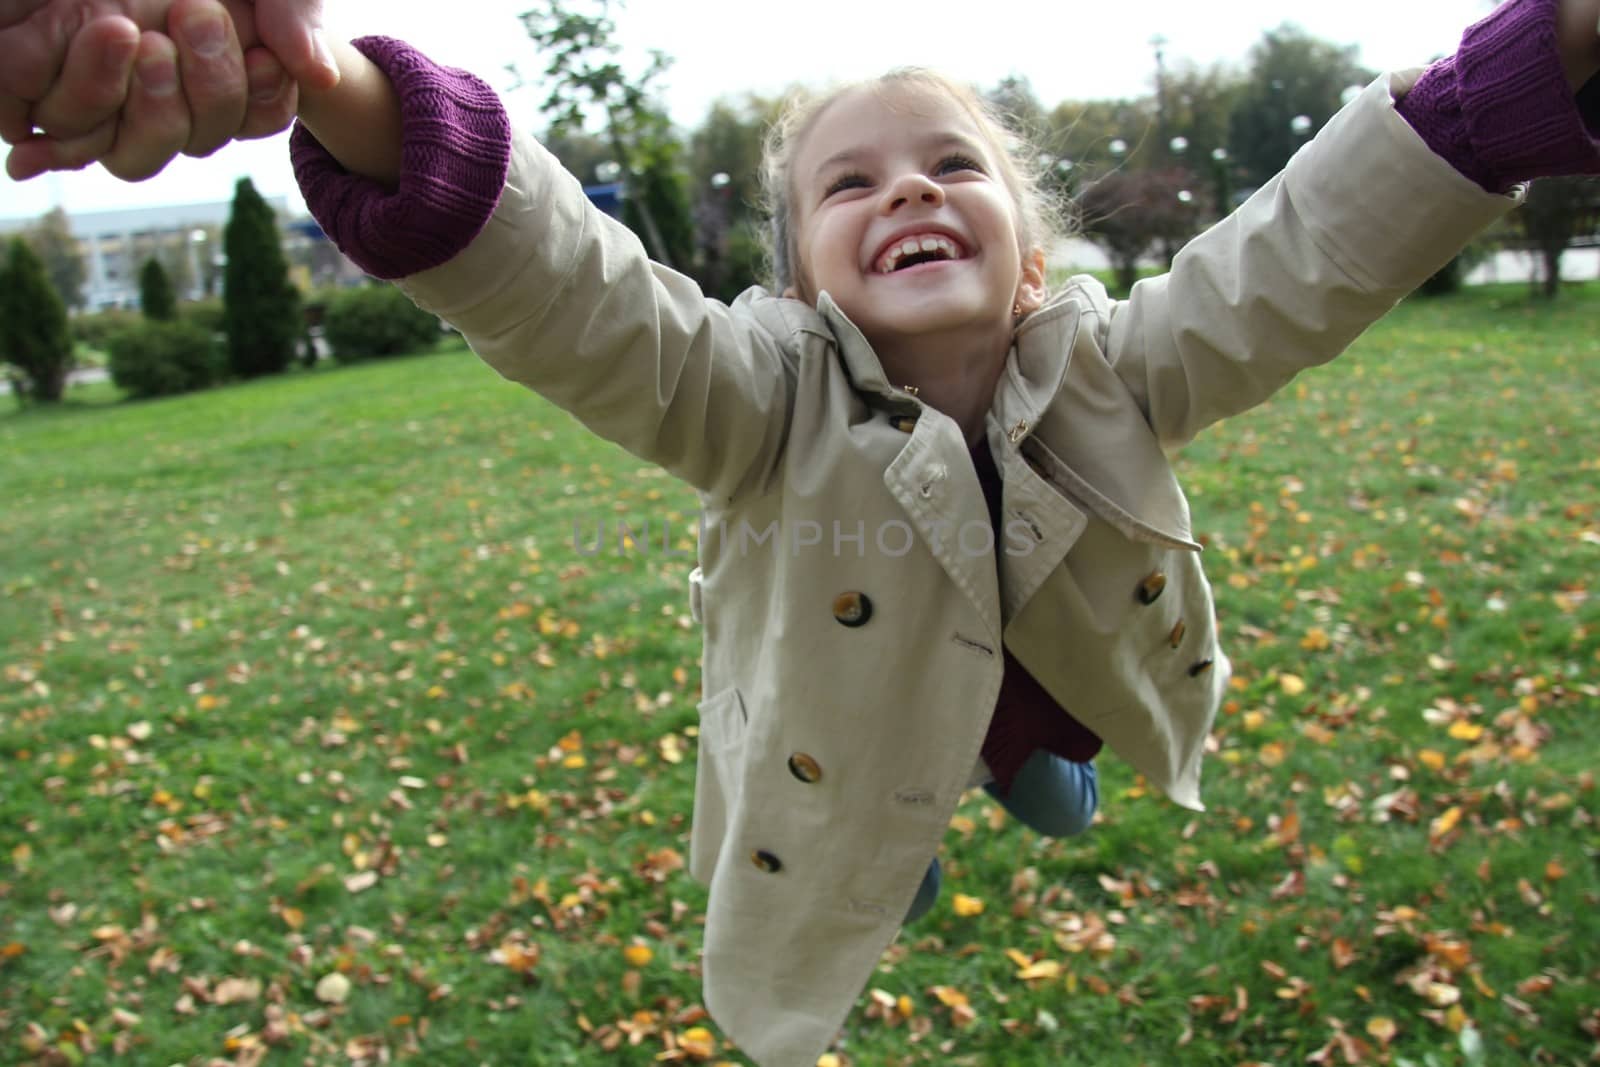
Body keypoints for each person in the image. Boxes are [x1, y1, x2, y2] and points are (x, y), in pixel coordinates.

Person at [8, 2, 1600, 1064]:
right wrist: (346, 95)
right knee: (857, 845)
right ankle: (886, 864)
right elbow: (576, 296)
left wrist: (1515, 76)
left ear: (1026, 245)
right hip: (838, 727)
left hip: (1048, 662)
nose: (904, 191)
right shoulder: (752, 399)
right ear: (800, 274)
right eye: (848, 184)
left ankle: (1035, 766)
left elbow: (1295, 258)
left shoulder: (1117, 364)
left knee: (1044, 748)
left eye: (950, 165)